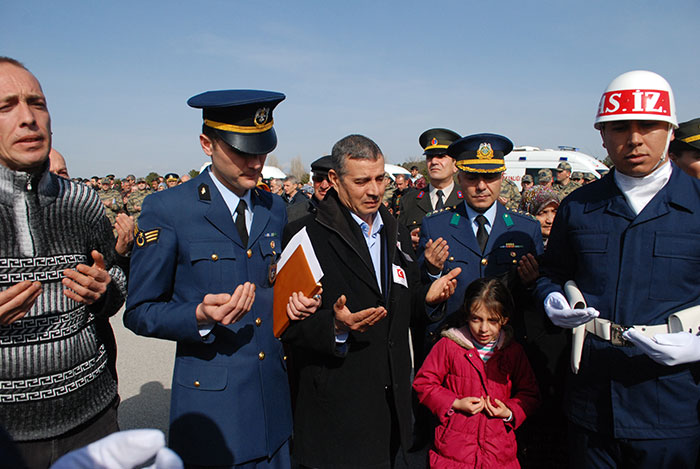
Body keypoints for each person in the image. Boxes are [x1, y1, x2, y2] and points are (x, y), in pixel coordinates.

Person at [124, 89, 319, 468]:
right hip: (214, 414)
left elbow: (270, 283)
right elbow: (140, 311)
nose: (256, 162)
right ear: (206, 144)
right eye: (242, 151)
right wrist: (197, 315)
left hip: (274, 410)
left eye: (261, 150)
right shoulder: (169, 209)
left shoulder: (273, 207)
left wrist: (297, 300)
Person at [535, 70, 700, 468]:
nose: (634, 139)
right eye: (620, 127)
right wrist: (551, 299)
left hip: (673, 405)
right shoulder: (578, 206)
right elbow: (551, 272)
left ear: (670, 132)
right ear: (603, 136)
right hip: (593, 400)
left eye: (648, 126)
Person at [281, 134, 460, 468]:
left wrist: (429, 295)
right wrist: (333, 325)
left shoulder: (395, 231)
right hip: (337, 413)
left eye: (380, 179)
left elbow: (404, 302)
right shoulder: (303, 236)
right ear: (334, 180)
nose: (375, 190)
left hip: (392, 410)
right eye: (361, 181)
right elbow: (288, 326)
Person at [0, 56, 126, 467]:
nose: (28, 119)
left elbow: (117, 277)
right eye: (6, 107)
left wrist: (105, 289)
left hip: (92, 420)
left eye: (37, 103)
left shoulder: (82, 202)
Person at [418, 133, 543, 344]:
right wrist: (432, 272)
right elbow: (419, 293)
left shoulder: (526, 228)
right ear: (460, 178)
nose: (481, 186)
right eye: (472, 177)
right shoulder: (436, 226)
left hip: (508, 348)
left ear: (502, 177)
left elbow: (536, 300)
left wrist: (532, 284)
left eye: (490, 177)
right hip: (454, 344)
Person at [413, 277, 539, 468]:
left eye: (492, 320)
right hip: (453, 454)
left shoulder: (513, 352)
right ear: (467, 315)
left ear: (505, 319)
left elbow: (529, 393)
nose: (483, 328)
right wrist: (454, 403)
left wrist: (509, 411)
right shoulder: (448, 346)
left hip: (499, 455)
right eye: (476, 319)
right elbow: (423, 383)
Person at [399, 128, 463, 250]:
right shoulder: (409, 201)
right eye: (430, 157)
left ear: (455, 165)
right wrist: (407, 241)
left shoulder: (466, 200)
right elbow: (397, 241)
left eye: (441, 156)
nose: (434, 161)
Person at [286, 154, 332, 223]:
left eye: (330, 180)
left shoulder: (349, 214)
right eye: (318, 179)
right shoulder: (293, 213)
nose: (324, 185)